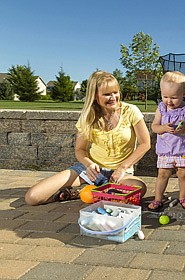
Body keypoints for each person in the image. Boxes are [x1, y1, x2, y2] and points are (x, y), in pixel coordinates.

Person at [25, 71, 151, 206]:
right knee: (32, 197)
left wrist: (122, 168)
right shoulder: (88, 117)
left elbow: (145, 144)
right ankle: (94, 192)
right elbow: (80, 150)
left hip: (121, 174)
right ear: (95, 96)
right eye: (107, 94)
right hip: (92, 172)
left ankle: (87, 192)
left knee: (139, 189)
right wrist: (89, 165)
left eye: (116, 92)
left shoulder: (131, 111)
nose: (113, 97)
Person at [149, 71, 185, 210]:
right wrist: (164, 128)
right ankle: (158, 198)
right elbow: (154, 127)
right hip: (166, 149)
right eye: (165, 96)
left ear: (184, 93)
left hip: (183, 149)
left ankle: (183, 197)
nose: (169, 101)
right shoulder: (161, 108)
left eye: (173, 97)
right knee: (162, 174)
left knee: (183, 174)